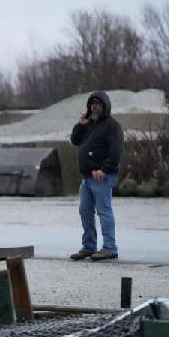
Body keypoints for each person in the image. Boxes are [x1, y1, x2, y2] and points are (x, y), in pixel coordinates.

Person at [69, 91, 124, 261]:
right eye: (92, 103)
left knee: (104, 212)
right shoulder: (89, 124)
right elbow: (75, 140)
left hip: (102, 177)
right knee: (85, 211)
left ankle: (110, 248)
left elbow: (116, 151)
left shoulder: (112, 126)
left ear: (105, 105)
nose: (95, 106)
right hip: (87, 177)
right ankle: (89, 246)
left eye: (99, 103)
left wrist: (104, 170)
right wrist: (81, 125)